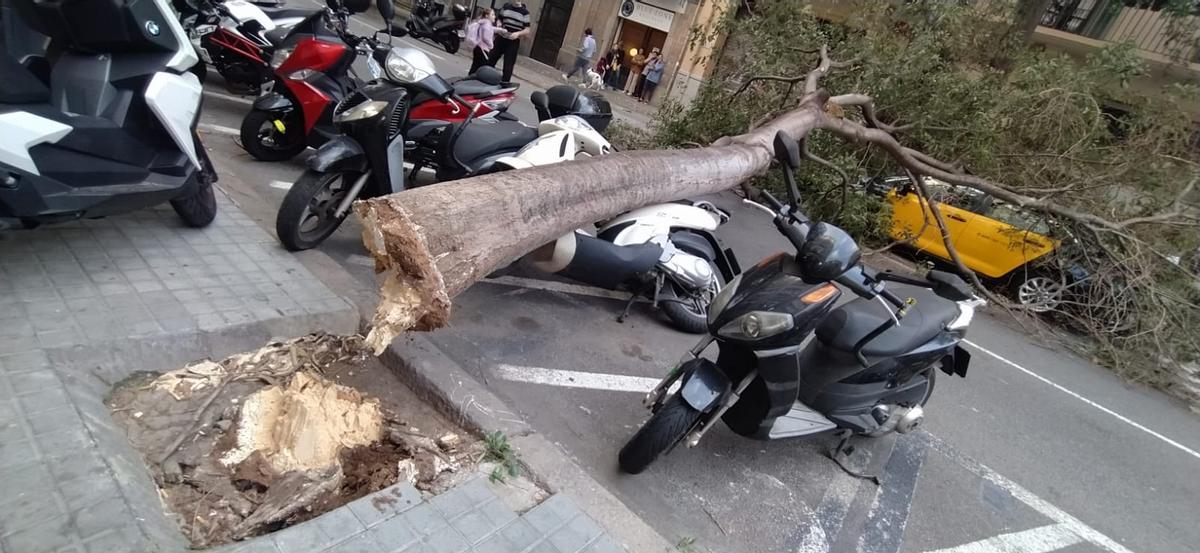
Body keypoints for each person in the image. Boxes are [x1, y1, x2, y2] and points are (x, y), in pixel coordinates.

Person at [488, 1, 531, 84]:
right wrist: (499, 25)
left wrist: (518, 33)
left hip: (513, 41)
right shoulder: (506, 6)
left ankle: (504, 84)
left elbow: (527, 30)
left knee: (508, 65)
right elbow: (499, 19)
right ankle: (486, 78)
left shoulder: (525, 13)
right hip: (501, 38)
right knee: (491, 58)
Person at [465, 8, 496, 75]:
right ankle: (472, 82)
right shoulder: (487, 24)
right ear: (487, 16)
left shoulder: (483, 22)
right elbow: (486, 37)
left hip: (478, 47)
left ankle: (468, 80)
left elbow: (493, 29)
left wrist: (501, 30)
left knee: (475, 67)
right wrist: (491, 45)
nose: (494, 16)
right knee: (482, 69)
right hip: (483, 49)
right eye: (492, 14)